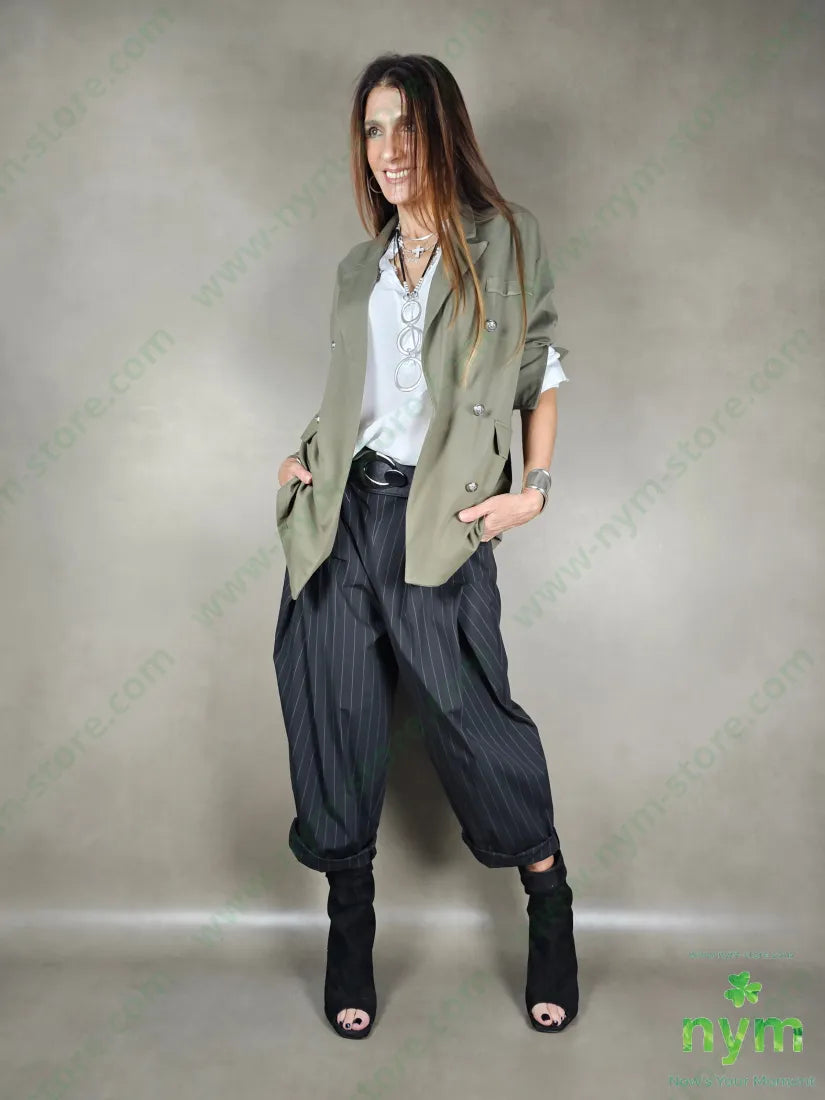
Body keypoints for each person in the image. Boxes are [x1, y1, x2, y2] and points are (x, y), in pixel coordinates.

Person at [272, 52, 579, 1040]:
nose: (389, 148)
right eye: (373, 129)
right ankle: (349, 926)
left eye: (406, 125)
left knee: (470, 715)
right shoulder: (355, 267)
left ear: (442, 130)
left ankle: (549, 902)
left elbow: (539, 371)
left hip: (441, 517)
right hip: (340, 516)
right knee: (334, 715)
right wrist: (304, 456)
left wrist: (532, 492)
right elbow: (356, 398)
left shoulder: (506, 241)